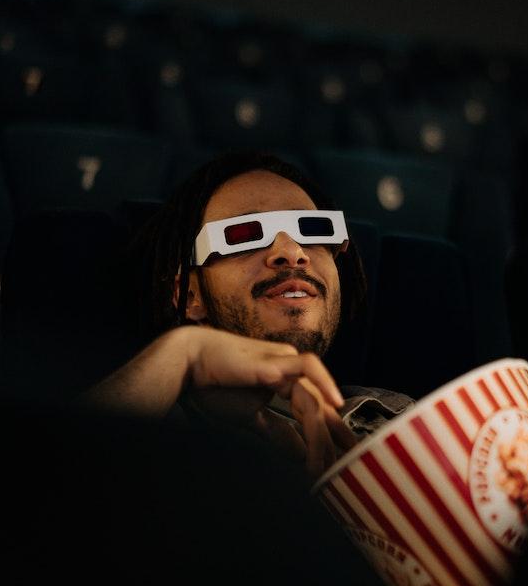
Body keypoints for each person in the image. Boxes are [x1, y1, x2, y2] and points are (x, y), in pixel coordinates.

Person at [87, 151, 412, 479]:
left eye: (313, 229)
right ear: (189, 296)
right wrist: (184, 351)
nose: (292, 252)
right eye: (243, 236)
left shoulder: (403, 420)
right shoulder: (148, 429)